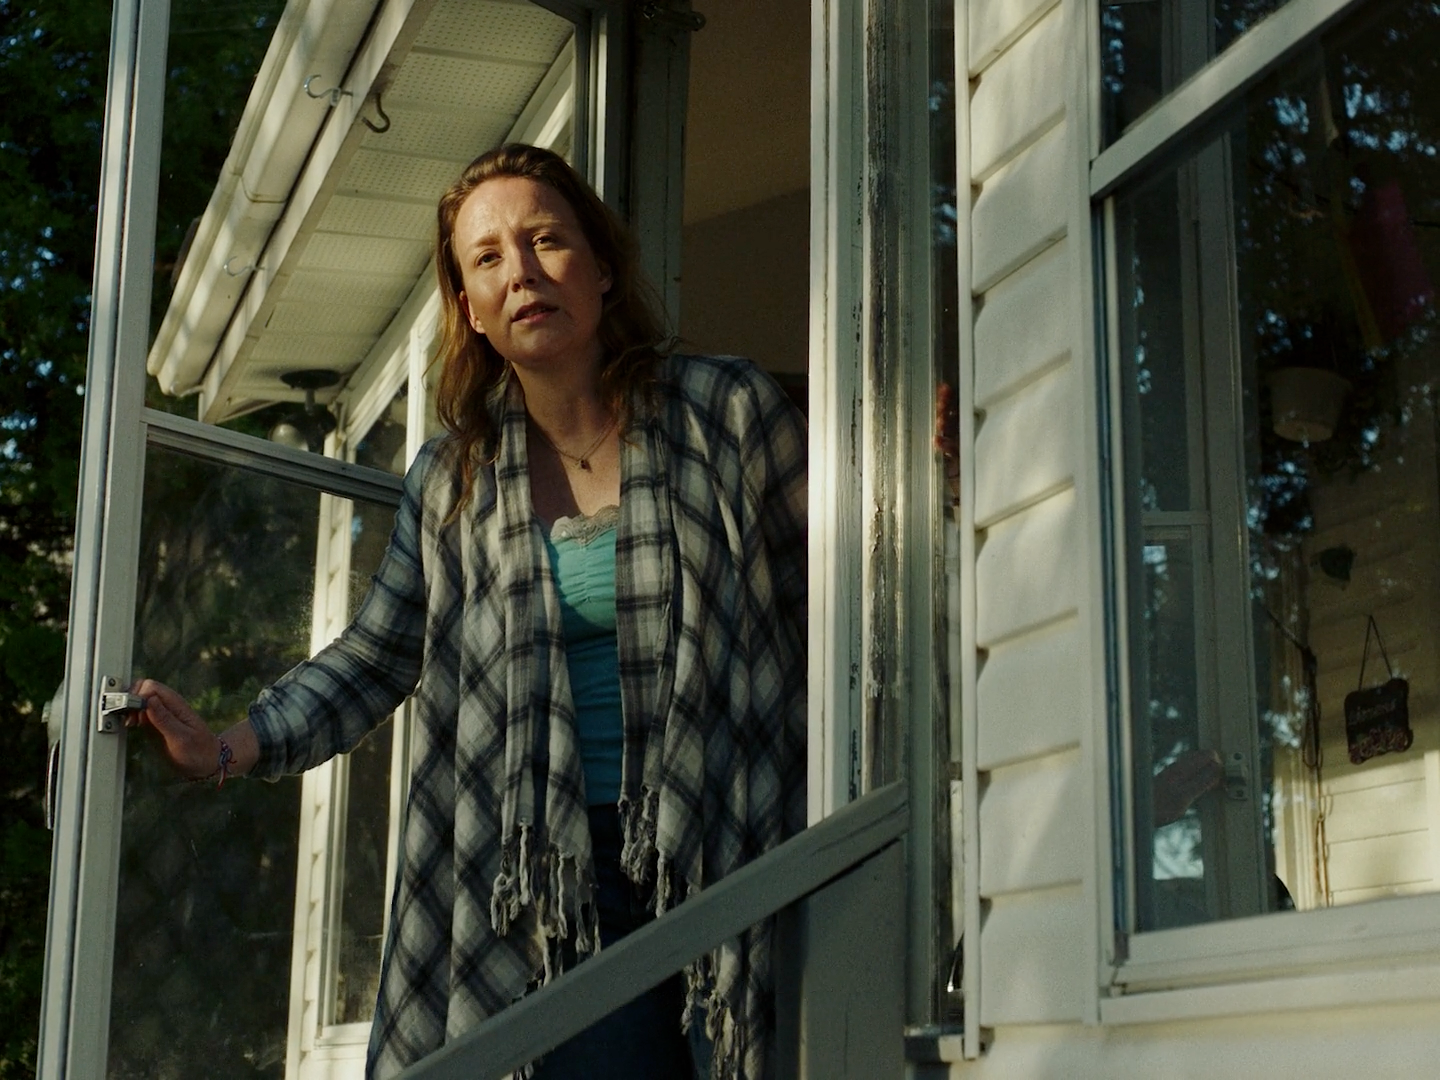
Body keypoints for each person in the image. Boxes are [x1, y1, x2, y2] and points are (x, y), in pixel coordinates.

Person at [132, 143, 808, 1080]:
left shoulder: (725, 413)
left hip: (732, 836)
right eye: (487, 259)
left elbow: (824, 607)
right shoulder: (452, 481)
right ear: (470, 311)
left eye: (545, 241)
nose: (521, 272)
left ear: (602, 268)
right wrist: (231, 745)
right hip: (549, 875)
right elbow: (377, 656)